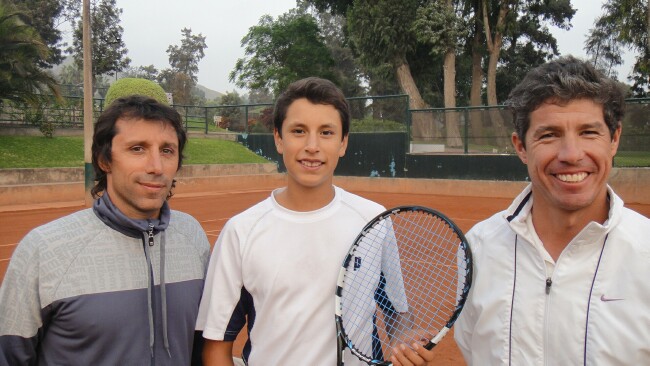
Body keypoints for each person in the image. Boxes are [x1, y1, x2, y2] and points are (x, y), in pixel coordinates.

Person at [196, 77, 427, 366]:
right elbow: (216, 345)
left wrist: (403, 338)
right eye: (299, 131)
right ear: (279, 139)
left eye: (327, 132)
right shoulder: (241, 231)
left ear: (343, 143)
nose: (312, 146)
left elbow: (396, 312)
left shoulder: (373, 221)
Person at [452, 56, 650, 364]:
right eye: (549, 135)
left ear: (614, 139)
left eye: (589, 132)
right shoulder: (478, 248)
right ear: (520, 146)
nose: (571, 155)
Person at [0, 95, 211, 365]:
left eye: (167, 150)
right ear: (104, 160)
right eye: (137, 149)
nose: (156, 167)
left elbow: (202, 347)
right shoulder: (45, 247)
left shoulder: (192, 236)